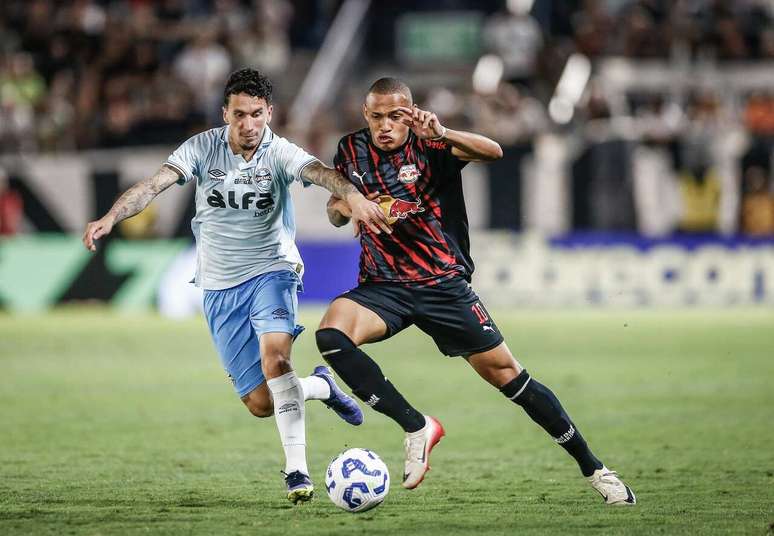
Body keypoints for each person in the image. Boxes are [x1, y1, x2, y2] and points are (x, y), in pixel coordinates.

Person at [315, 77, 636, 505]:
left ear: (410, 113)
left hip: (442, 285)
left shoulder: (430, 145)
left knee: (509, 377)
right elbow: (336, 209)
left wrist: (442, 132)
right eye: (377, 117)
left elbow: (494, 151)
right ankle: (416, 426)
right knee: (331, 336)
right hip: (384, 285)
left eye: (396, 116)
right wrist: (348, 205)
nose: (386, 126)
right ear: (365, 116)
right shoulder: (351, 149)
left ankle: (596, 469)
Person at [82, 69, 392, 504]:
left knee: (276, 359)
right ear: (225, 112)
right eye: (240, 115)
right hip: (218, 285)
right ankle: (321, 386)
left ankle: (296, 472)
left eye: (258, 114)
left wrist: (354, 197)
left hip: (272, 271)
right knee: (262, 403)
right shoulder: (201, 148)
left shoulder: (279, 152)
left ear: (270, 113)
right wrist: (111, 217)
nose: (249, 125)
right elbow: (153, 185)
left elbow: (323, 174)